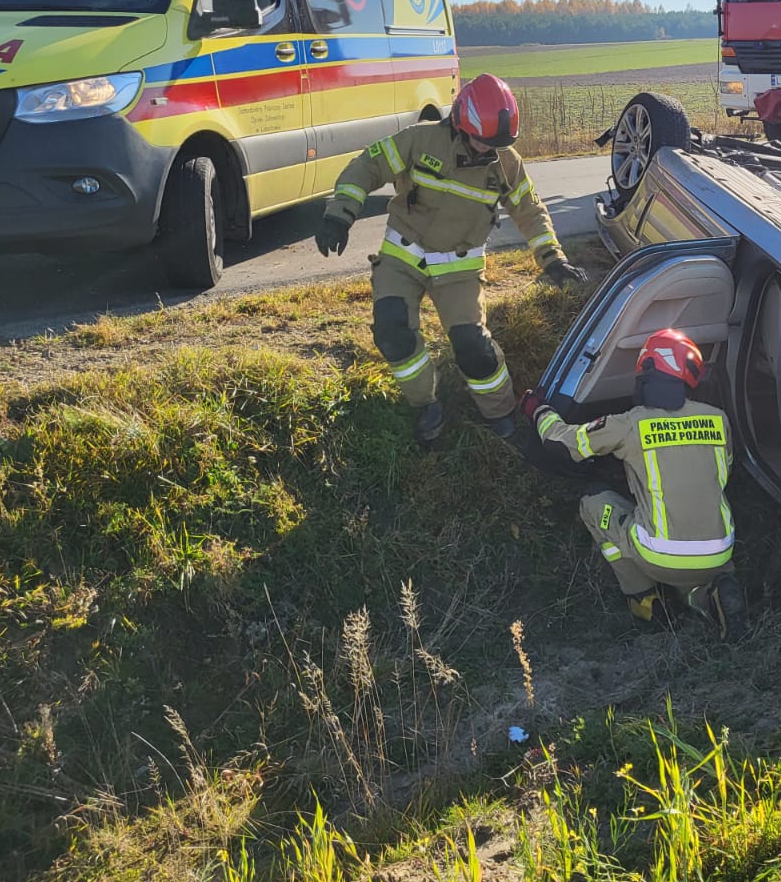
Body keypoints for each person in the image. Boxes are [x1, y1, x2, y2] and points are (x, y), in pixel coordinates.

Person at [315, 73, 586, 445]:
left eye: (495, 145)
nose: (486, 151)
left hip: (459, 269)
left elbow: (531, 211)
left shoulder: (506, 163)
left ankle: (501, 413)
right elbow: (367, 166)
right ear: (460, 122)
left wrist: (552, 258)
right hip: (402, 258)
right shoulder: (420, 140)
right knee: (392, 331)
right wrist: (339, 213)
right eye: (481, 141)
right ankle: (425, 404)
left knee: (474, 348)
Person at [524, 329, 748, 640]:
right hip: (720, 552)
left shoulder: (630, 424)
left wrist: (538, 409)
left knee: (593, 504)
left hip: (658, 554)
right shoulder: (717, 419)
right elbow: (722, 473)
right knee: (691, 576)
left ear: (647, 372)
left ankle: (644, 601)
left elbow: (561, 443)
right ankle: (708, 598)